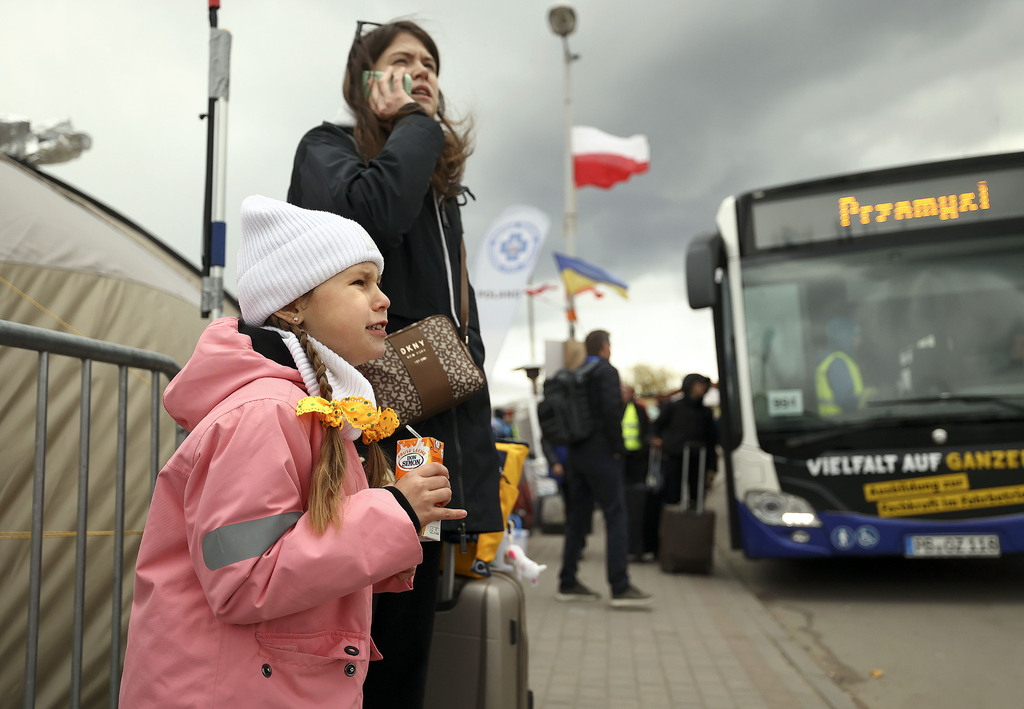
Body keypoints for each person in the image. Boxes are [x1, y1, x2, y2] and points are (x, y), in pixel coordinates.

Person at [119, 196, 466, 708]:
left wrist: (402, 523)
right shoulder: (264, 413)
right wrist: (394, 512)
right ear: (293, 304)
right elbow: (245, 579)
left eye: (379, 282)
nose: (384, 299)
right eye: (360, 283)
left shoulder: (315, 413)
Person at [286, 19, 502, 708]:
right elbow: (369, 218)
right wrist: (415, 120)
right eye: (402, 61)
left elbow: (456, 332)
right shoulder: (328, 150)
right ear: (366, 80)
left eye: (430, 63)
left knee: (406, 653)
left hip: (424, 445)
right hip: (361, 442)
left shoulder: (439, 194)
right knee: (353, 651)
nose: (423, 72)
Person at [556, 330, 652, 608]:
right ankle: (620, 587)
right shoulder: (606, 371)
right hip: (601, 454)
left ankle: (568, 581)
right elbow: (611, 412)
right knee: (616, 515)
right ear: (605, 347)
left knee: (577, 518)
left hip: (576, 454)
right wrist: (618, 448)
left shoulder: (576, 372)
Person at [652, 374, 718, 509]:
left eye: (704, 386)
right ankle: (671, 520)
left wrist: (712, 466)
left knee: (697, 493)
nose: (702, 388)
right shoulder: (673, 407)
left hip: (698, 458)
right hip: (674, 457)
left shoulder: (705, 412)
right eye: (698, 385)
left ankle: (692, 520)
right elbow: (656, 425)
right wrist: (656, 438)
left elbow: (711, 439)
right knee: (672, 493)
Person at [816, 316, 867, 415]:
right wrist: (867, 397)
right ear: (845, 337)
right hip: (841, 423)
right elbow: (846, 401)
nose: (859, 340)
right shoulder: (837, 362)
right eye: (856, 336)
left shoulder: (833, 359)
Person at [620, 383, 651, 485]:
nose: (622, 394)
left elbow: (646, 427)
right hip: (619, 452)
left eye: (625, 392)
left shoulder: (639, 408)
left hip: (637, 453)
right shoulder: (614, 409)